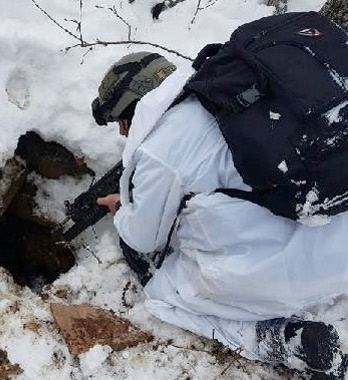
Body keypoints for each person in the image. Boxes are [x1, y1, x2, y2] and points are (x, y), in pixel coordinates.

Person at [92, 51, 348, 379]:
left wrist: (123, 210)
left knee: (165, 295)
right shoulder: (233, 95)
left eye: (121, 122)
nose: (122, 133)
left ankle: (286, 342)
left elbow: (143, 238)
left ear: (131, 106)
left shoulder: (160, 150)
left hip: (288, 272)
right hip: (336, 239)